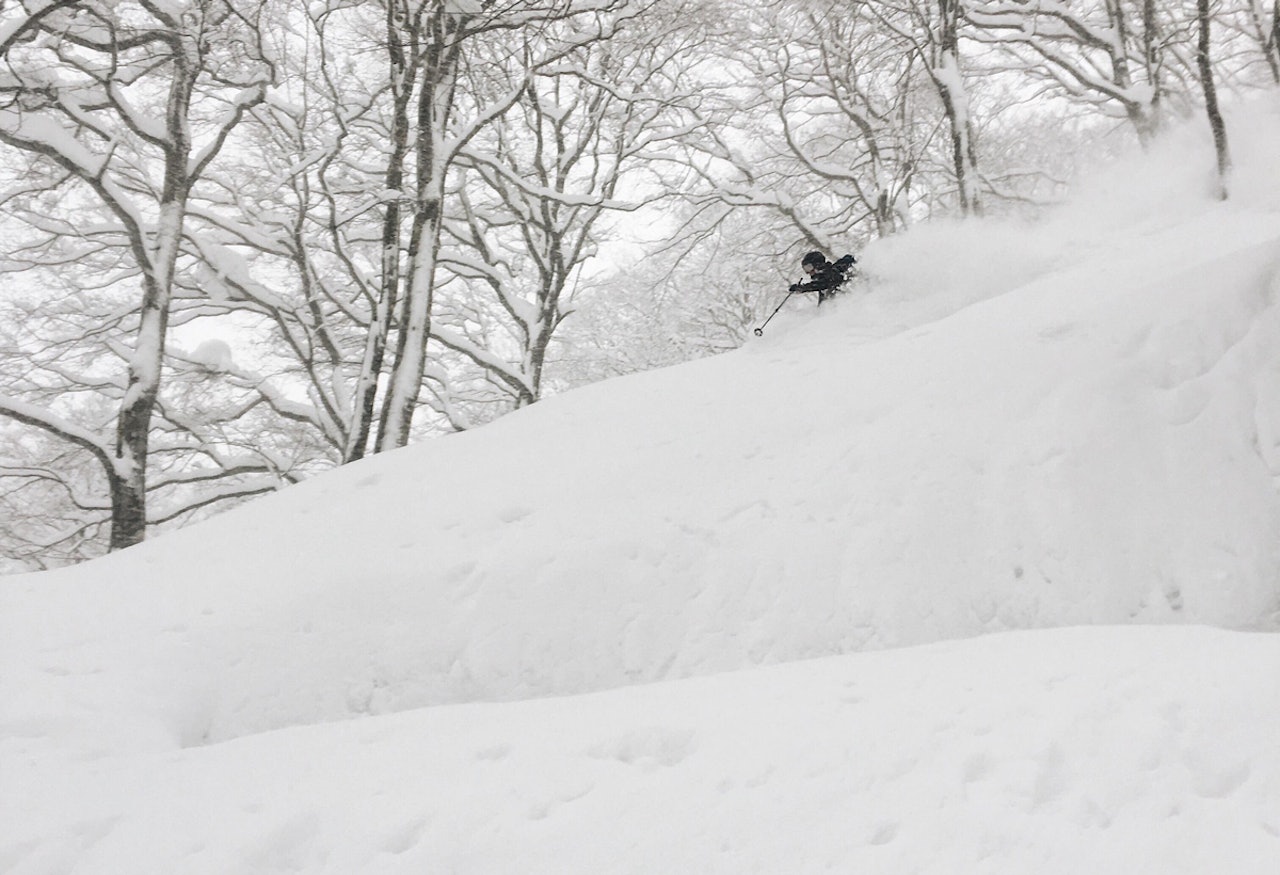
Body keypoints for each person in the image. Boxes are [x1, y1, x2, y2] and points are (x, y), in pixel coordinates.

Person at [789, 250, 856, 304]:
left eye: (809, 267)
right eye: (805, 269)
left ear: (817, 265)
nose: (809, 272)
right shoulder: (822, 280)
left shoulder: (833, 272)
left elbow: (824, 283)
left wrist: (803, 288)